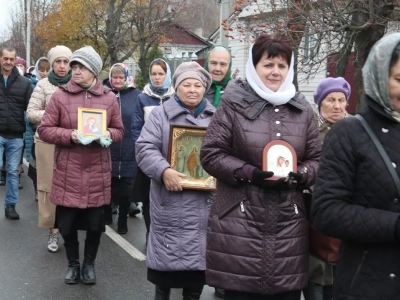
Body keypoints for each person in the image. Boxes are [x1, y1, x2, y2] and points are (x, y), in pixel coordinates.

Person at [200, 34, 321, 300]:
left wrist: (301, 175)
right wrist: (248, 173)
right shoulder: (233, 104)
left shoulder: (303, 109)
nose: (275, 72)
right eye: (268, 65)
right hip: (240, 221)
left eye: (282, 65)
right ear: (254, 67)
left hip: (289, 224)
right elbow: (210, 153)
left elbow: (318, 159)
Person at [312, 33, 400, 300]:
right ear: (378, 77)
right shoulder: (349, 133)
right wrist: (394, 225)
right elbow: (326, 212)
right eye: (399, 79)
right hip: (369, 283)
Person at [37, 46, 124, 285]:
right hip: (69, 172)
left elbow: (119, 130)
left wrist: (108, 134)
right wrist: (70, 135)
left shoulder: (108, 98)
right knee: (67, 225)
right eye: (74, 67)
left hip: (97, 172)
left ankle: (89, 265)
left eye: (81, 67)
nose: (75, 71)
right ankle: (73, 264)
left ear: (93, 71)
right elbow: (44, 129)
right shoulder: (60, 96)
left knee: (96, 226)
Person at [136, 61, 215, 300]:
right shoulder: (160, 115)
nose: (192, 90)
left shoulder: (216, 117)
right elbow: (144, 147)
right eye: (186, 85)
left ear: (204, 89)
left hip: (204, 205)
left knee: (196, 279)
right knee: (165, 277)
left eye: (198, 85)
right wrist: (164, 170)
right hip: (169, 204)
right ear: (177, 87)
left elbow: (226, 151)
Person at [302, 77, 351, 300]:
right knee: (316, 271)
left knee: (342, 270)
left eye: (342, 100)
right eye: (331, 100)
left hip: (347, 212)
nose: (337, 106)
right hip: (315, 210)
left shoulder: (356, 131)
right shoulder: (311, 132)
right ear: (320, 103)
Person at [27, 46, 72, 253]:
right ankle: (53, 231)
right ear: (52, 64)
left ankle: (69, 230)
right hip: (46, 143)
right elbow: (31, 113)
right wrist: (55, 113)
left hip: (71, 142)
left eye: (66, 62)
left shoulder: (77, 84)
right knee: (48, 188)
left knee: (70, 187)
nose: (62, 66)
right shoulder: (43, 85)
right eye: (58, 62)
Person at [131, 58, 174, 229]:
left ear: (167, 75)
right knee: (149, 196)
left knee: (169, 195)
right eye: (154, 74)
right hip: (149, 155)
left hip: (170, 156)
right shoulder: (142, 98)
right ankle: (150, 231)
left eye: (161, 74)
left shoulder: (175, 97)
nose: (157, 78)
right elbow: (136, 128)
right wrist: (143, 151)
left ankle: (166, 231)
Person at [103, 63, 141, 233]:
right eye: (115, 77)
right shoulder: (103, 94)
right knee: (107, 183)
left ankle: (123, 219)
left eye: (121, 77)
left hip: (129, 145)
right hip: (108, 146)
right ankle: (106, 215)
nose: (117, 80)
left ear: (127, 78)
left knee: (127, 186)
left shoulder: (136, 96)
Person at [0, 45, 33, 220]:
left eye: (12, 59)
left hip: (15, 136)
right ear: (0, 59)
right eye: (5, 58)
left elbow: (32, 109)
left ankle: (10, 206)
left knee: (13, 172)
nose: (8, 62)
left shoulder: (25, 83)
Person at [27, 57, 50, 203]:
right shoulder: (34, 85)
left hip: (51, 131)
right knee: (37, 164)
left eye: (48, 70)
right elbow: (31, 112)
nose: (45, 73)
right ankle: (38, 189)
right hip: (37, 131)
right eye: (42, 70)